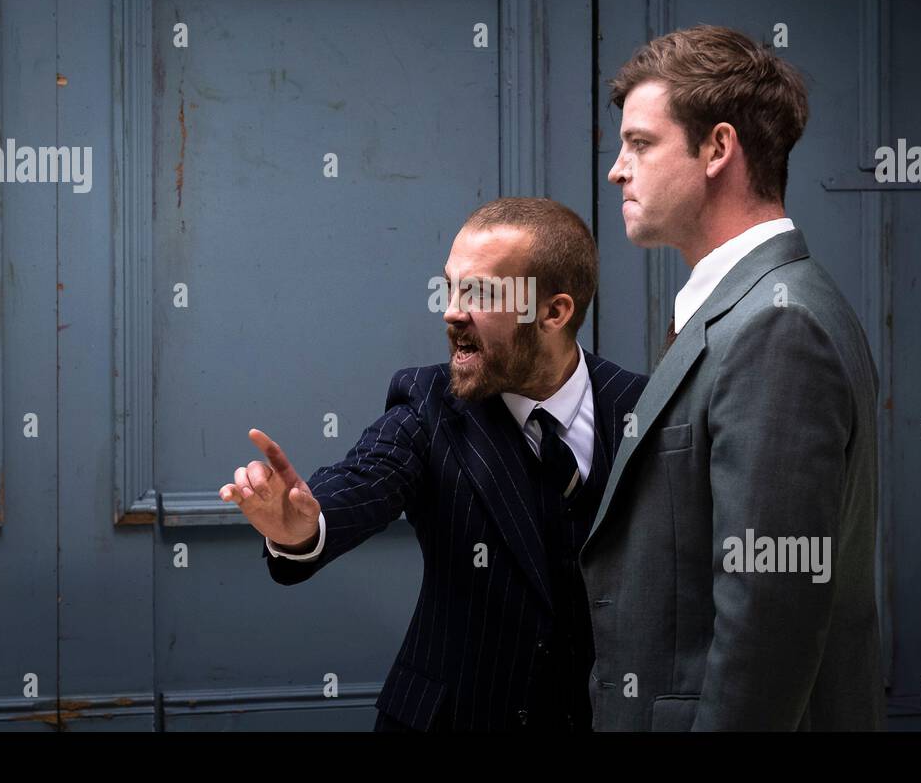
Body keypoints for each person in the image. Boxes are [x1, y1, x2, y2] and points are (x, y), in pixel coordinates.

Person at [220, 198, 646, 731]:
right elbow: (363, 479)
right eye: (451, 287)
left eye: (482, 293)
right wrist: (304, 527)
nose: (451, 311)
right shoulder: (427, 405)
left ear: (554, 312)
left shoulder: (642, 407)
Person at [582, 24, 885, 730]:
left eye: (641, 144)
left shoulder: (778, 325)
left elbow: (768, 613)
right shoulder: (752, 308)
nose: (617, 170)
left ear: (718, 148)